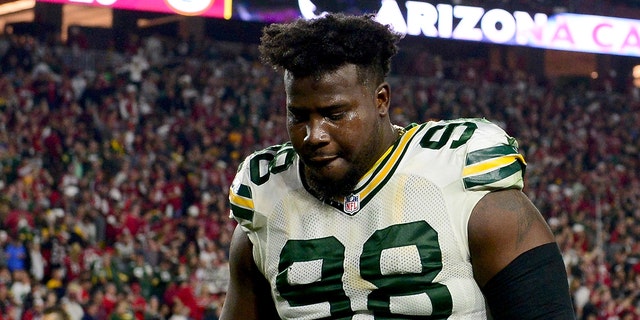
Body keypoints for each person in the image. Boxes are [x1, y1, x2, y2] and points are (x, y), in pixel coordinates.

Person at [220, 13, 576, 319]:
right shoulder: (266, 197)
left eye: (334, 114)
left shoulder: (466, 183)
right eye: (299, 115)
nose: (314, 135)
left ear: (381, 100)